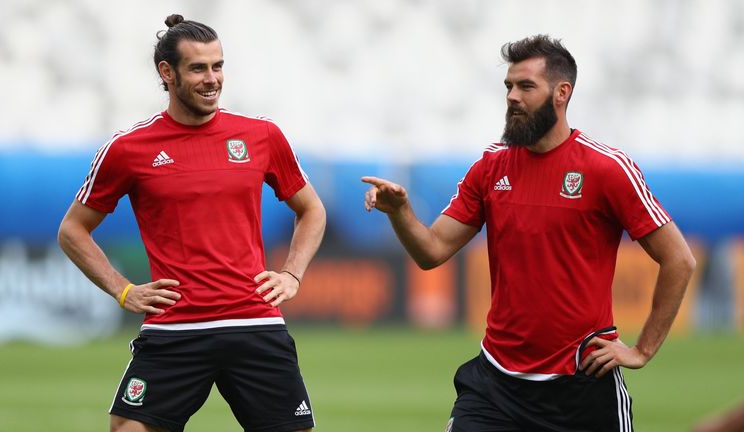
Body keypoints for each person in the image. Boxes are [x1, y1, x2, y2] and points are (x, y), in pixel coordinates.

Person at [362, 34, 696, 432]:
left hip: (580, 386)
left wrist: (642, 349)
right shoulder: (490, 166)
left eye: (525, 86)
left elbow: (679, 258)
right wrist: (400, 212)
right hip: (495, 385)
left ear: (561, 92)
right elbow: (431, 251)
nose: (512, 97)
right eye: (508, 86)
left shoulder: (607, 169)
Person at [58, 14, 325, 432]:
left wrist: (292, 273)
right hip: (176, 326)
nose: (211, 78)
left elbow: (312, 209)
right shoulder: (128, 148)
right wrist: (122, 289)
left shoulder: (261, 135)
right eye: (198, 68)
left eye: (218, 66)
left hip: (252, 321)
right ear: (167, 73)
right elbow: (72, 230)